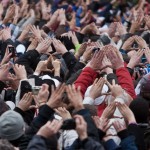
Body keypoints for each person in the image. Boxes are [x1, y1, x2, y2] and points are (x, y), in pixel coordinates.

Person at [0, 0, 149, 149]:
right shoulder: (126, 134)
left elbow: (72, 90)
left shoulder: (38, 129)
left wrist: (87, 65)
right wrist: (117, 71)